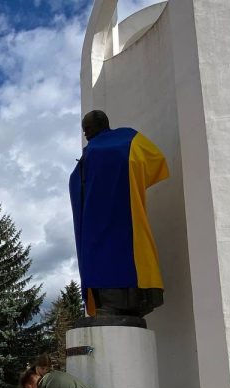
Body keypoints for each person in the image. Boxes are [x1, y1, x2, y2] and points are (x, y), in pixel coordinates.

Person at [69, 109, 170, 318]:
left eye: (87, 127)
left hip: (120, 212)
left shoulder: (126, 139)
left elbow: (155, 159)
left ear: (99, 124)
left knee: (116, 254)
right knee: (97, 259)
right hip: (94, 217)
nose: (85, 132)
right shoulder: (112, 144)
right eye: (83, 129)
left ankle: (120, 303)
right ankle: (108, 303)